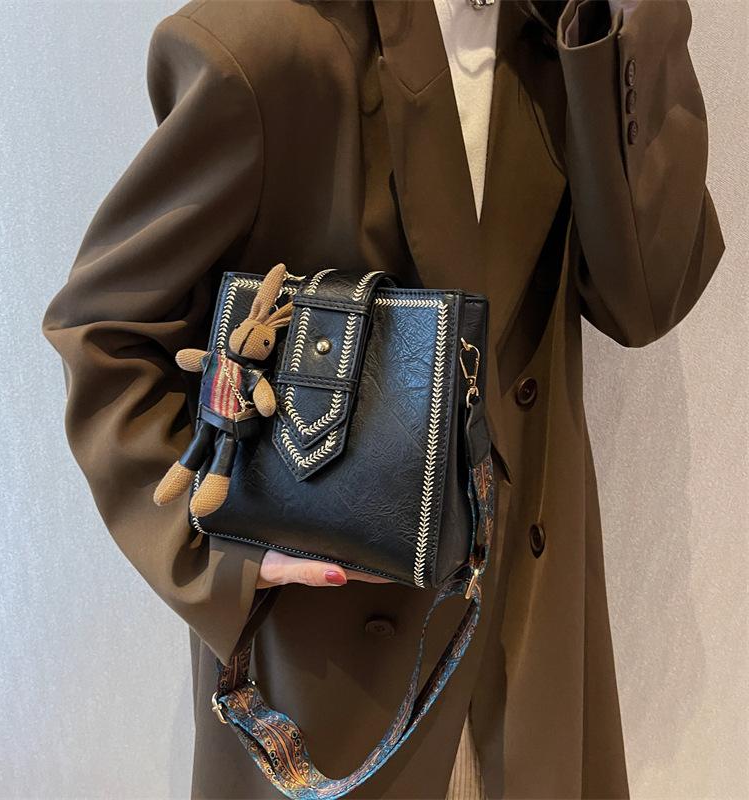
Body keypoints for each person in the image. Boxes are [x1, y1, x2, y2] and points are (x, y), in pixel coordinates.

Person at [41, 0, 725, 797]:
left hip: (532, 641)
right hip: (334, 687)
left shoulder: (563, 33)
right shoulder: (266, 47)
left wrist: (625, 26)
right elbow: (106, 328)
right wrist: (225, 560)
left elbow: (645, 300)